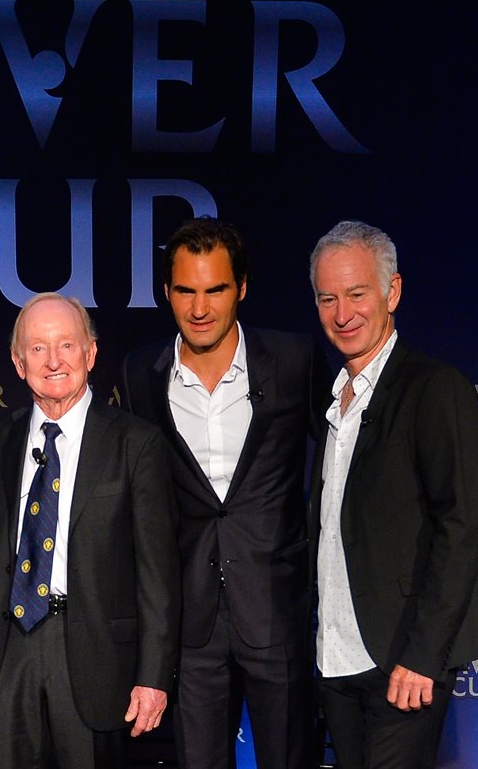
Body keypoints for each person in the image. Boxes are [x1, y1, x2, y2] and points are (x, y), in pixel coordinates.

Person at [121, 217, 330, 769]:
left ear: (241, 288)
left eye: (215, 290)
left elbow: (344, 459)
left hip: (276, 608)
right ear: (166, 292)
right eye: (185, 290)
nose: (199, 308)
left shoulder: (294, 361)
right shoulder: (141, 373)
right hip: (191, 621)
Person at [0, 293, 180, 769]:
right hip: (5, 654)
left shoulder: (136, 443)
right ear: (18, 363)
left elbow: (158, 574)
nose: (53, 361)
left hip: (95, 656)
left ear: (91, 354)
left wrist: (154, 676)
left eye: (66, 345)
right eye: (38, 348)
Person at [308, 220, 478, 769]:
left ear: (393, 292)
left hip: (402, 658)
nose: (343, 314)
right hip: (335, 659)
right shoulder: (331, 399)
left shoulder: (434, 388)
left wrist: (424, 656)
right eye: (328, 299)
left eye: (357, 294)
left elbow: (459, 527)